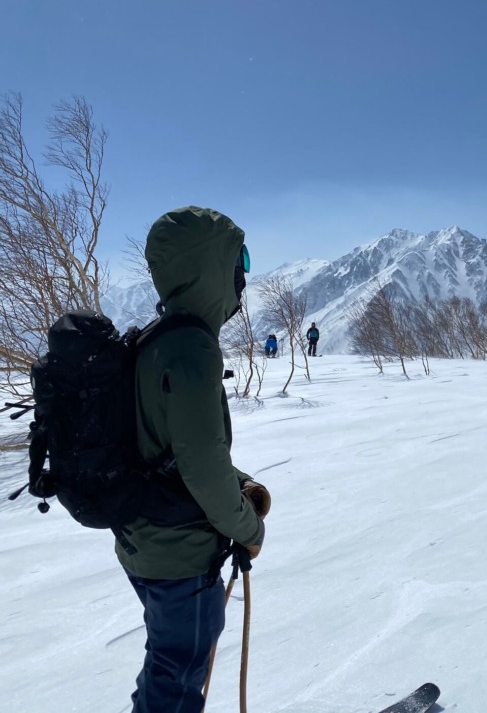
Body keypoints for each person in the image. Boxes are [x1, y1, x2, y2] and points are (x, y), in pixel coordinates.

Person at [121, 206, 270, 713]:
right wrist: (249, 528)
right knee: (178, 677)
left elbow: (168, 446)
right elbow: (202, 463)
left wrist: (242, 481)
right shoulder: (191, 350)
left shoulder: (154, 341)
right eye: (238, 260)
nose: (243, 274)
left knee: (167, 667)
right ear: (209, 268)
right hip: (182, 557)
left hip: (145, 545)